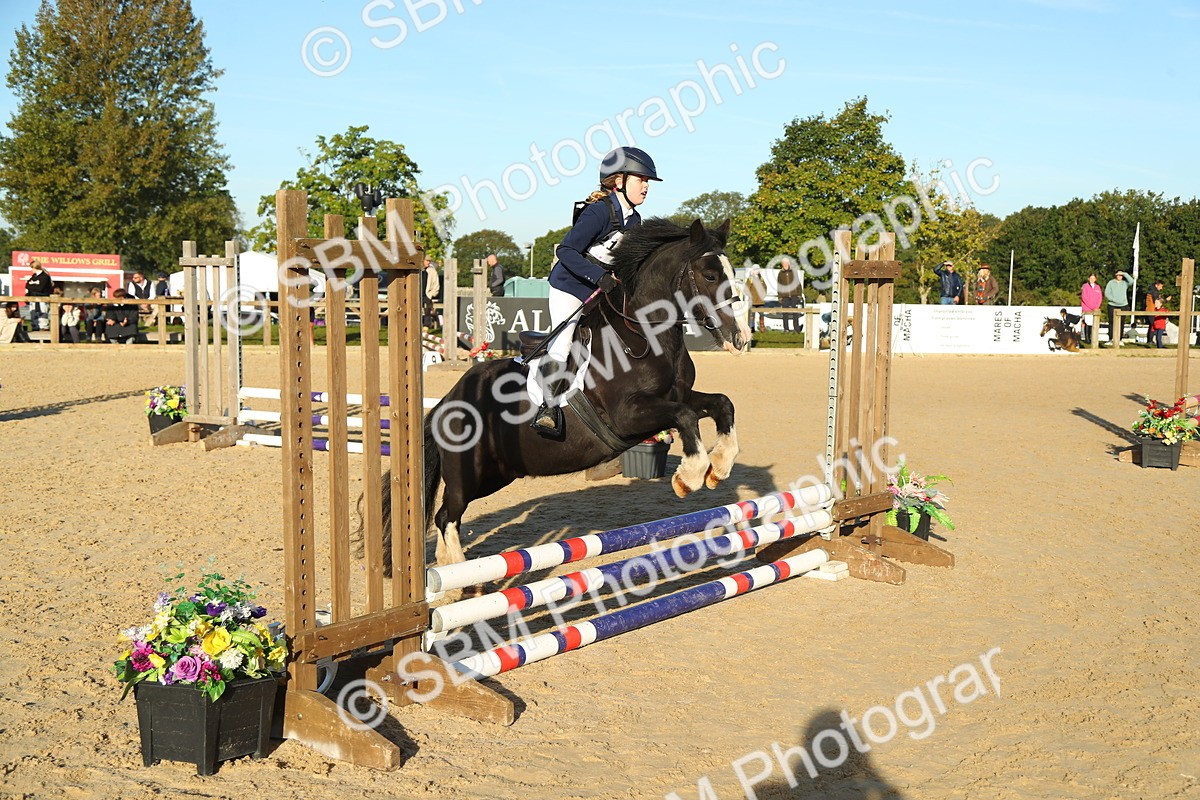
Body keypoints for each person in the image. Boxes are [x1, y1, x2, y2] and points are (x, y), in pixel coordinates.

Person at [530, 145, 660, 436]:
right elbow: (566, 250)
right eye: (641, 179)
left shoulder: (635, 221)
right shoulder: (598, 212)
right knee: (564, 342)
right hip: (569, 286)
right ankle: (547, 409)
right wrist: (599, 276)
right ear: (619, 181)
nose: (646, 186)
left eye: (647, 181)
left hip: (599, 290)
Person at [1104, 269, 1134, 345]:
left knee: (1121, 323)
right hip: (1112, 305)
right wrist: (1113, 299)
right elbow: (1107, 293)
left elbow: (1132, 281)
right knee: (1111, 322)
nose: (1119, 276)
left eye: (1121, 275)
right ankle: (1110, 339)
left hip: (1123, 305)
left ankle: (1120, 339)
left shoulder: (1125, 283)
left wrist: (1124, 273)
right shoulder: (1111, 283)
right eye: (1118, 275)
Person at [24, 259, 53, 331]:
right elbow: (27, 285)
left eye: (32, 268)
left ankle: (44, 328)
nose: (31, 270)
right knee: (33, 314)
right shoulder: (34, 276)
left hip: (42, 299)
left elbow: (40, 288)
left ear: (35, 267)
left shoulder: (45, 276)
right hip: (33, 299)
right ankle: (35, 327)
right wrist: (34, 285)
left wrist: (32, 285)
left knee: (43, 314)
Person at [776, 258, 803, 333]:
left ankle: (796, 329)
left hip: (794, 295)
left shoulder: (793, 272)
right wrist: (780, 297)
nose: (785, 265)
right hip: (785, 296)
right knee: (785, 312)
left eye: (786, 263)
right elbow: (779, 286)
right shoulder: (780, 273)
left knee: (795, 311)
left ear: (789, 263)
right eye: (783, 263)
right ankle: (786, 329)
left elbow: (798, 283)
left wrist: (799, 294)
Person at [1080, 273, 1102, 344]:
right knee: (1088, 323)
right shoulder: (1085, 287)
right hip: (1087, 308)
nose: (1092, 279)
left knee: (1094, 323)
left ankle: (1093, 337)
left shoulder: (1098, 287)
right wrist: (1092, 307)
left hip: (1096, 309)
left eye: (1093, 278)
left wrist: (1097, 306)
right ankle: (1087, 338)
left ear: (1095, 279)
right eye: (1091, 278)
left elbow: (1100, 298)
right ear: (1088, 278)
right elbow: (1084, 298)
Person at [422, 258, 441, 328]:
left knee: (427, 309)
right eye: (427, 261)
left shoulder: (432, 271)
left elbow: (436, 284)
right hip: (418, 294)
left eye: (429, 261)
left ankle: (426, 326)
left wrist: (432, 294)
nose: (428, 262)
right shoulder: (418, 270)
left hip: (427, 294)